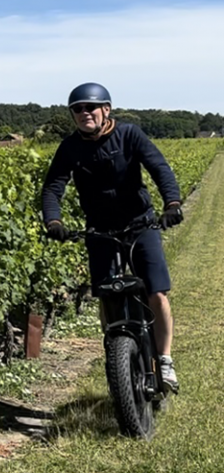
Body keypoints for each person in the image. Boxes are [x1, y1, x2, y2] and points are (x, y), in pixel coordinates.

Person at [41, 82, 183, 392]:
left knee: (156, 293)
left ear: (106, 109)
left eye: (90, 107)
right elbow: (54, 186)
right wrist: (53, 220)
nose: (84, 113)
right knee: (105, 294)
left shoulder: (129, 134)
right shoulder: (70, 148)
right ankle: (116, 352)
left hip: (139, 224)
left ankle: (166, 358)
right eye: (77, 109)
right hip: (99, 230)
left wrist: (172, 204)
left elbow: (159, 168)